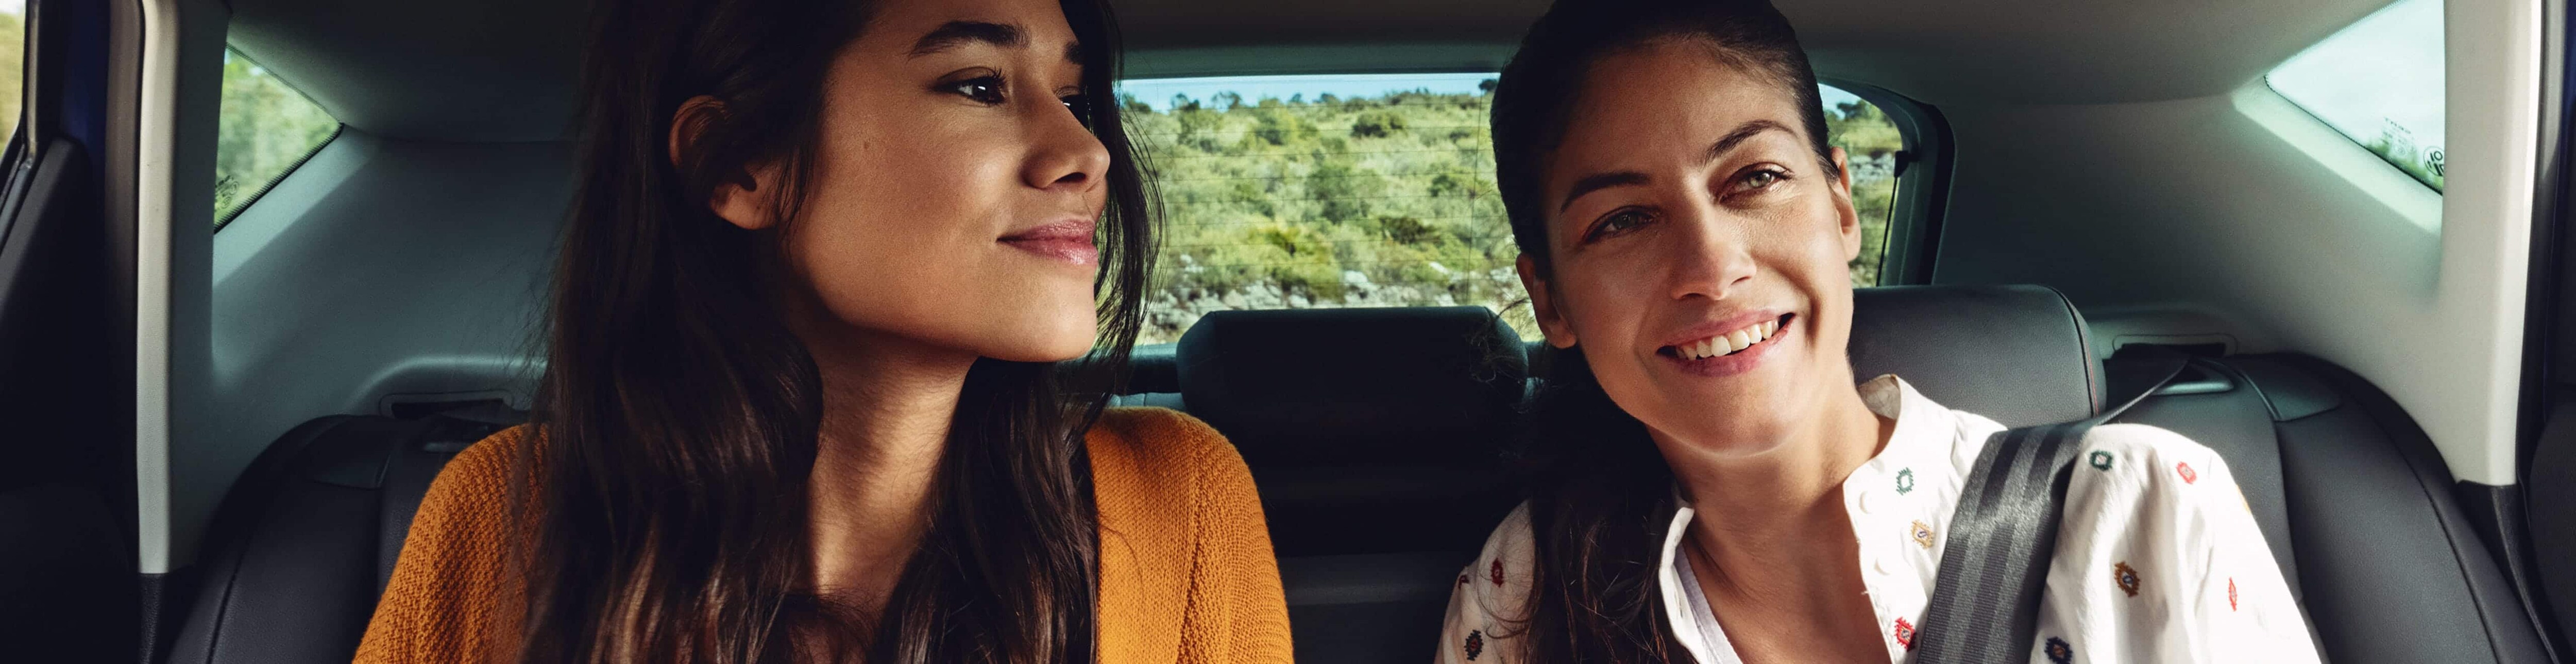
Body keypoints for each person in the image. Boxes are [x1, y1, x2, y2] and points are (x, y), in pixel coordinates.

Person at [352, 0, 1291, 661]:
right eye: (976, 85)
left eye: (1076, 98)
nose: (1087, 152)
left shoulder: (1184, 500)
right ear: (742, 166)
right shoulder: (503, 516)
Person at [1438, 1, 2319, 662]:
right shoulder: (1530, 590)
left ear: (1839, 205)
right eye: (1624, 220)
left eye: (1756, 177)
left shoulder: (2140, 506)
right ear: (1551, 302)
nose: (1711, 267)